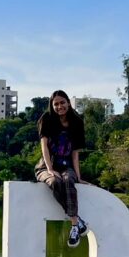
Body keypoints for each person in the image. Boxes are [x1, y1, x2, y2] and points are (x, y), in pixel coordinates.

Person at [35, 90, 88, 247]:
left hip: (66, 166)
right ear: (52, 105)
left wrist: (78, 176)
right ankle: (77, 222)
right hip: (46, 166)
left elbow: (75, 154)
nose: (59, 106)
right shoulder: (46, 119)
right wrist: (50, 169)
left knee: (68, 180)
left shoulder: (77, 122)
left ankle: (74, 227)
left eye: (62, 102)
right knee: (55, 181)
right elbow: (43, 146)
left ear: (68, 103)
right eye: (56, 104)